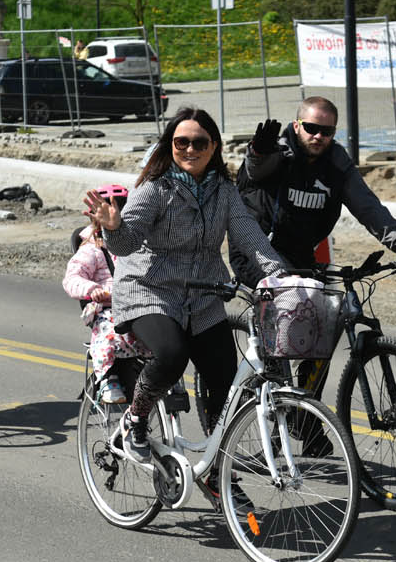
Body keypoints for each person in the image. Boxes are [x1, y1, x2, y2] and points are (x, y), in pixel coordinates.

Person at [85, 107, 287, 462]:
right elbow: (127, 243)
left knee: (225, 381)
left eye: (199, 142)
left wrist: (280, 275)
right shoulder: (155, 188)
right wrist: (113, 228)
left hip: (204, 296)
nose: (189, 149)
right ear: (170, 145)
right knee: (172, 354)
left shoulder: (224, 190)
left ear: (213, 146)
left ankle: (216, 464)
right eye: (181, 142)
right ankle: (136, 419)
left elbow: (249, 235)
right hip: (149, 290)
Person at [232, 96, 396, 284]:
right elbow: (255, 171)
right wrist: (257, 154)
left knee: (328, 307)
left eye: (326, 131)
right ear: (297, 126)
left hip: (301, 254)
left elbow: (367, 206)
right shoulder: (277, 153)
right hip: (256, 251)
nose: (318, 136)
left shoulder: (337, 163)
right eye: (311, 128)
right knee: (293, 298)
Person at [62, 183, 149, 405]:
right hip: (107, 307)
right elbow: (72, 279)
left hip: (139, 302)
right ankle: (107, 378)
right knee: (108, 333)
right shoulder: (92, 249)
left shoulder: (137, 243)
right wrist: (93, 290)